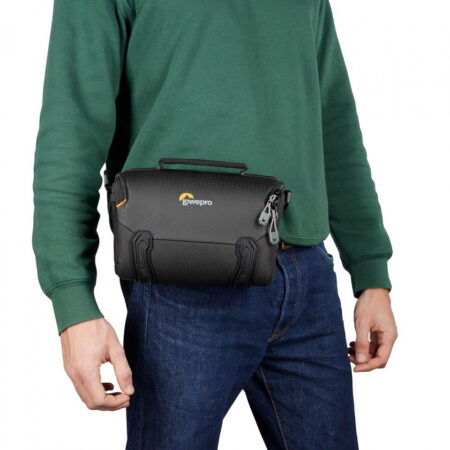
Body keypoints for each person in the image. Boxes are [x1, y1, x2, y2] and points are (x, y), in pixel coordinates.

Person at [32, 0, 398, 448]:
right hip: (181, 282)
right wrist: (72, 304)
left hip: (305, 277)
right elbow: (70, 134)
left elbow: (334, 123)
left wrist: (371, 273)